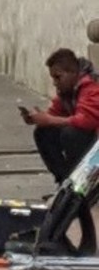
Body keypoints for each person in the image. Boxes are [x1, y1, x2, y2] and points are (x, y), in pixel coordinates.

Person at [20, 49, 99, 184]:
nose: (55, 83)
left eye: (58, 77)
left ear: (73, 73)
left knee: (71, 134)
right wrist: (38, 118)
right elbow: (54, 114)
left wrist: (49, 120)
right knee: (43, 132)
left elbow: (86, 121)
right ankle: (64, 181)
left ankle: (80, 181)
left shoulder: (90, 86)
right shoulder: (66, 91)